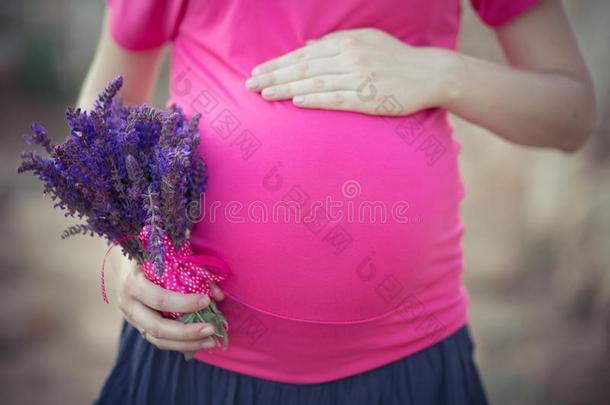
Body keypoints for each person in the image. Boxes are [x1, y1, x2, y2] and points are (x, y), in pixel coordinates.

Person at [84, 0, 595, 403]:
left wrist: (439, 73)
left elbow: (571, 113)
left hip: (407, 364)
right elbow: (96, 122)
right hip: (200, 364)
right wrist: (126, 253)